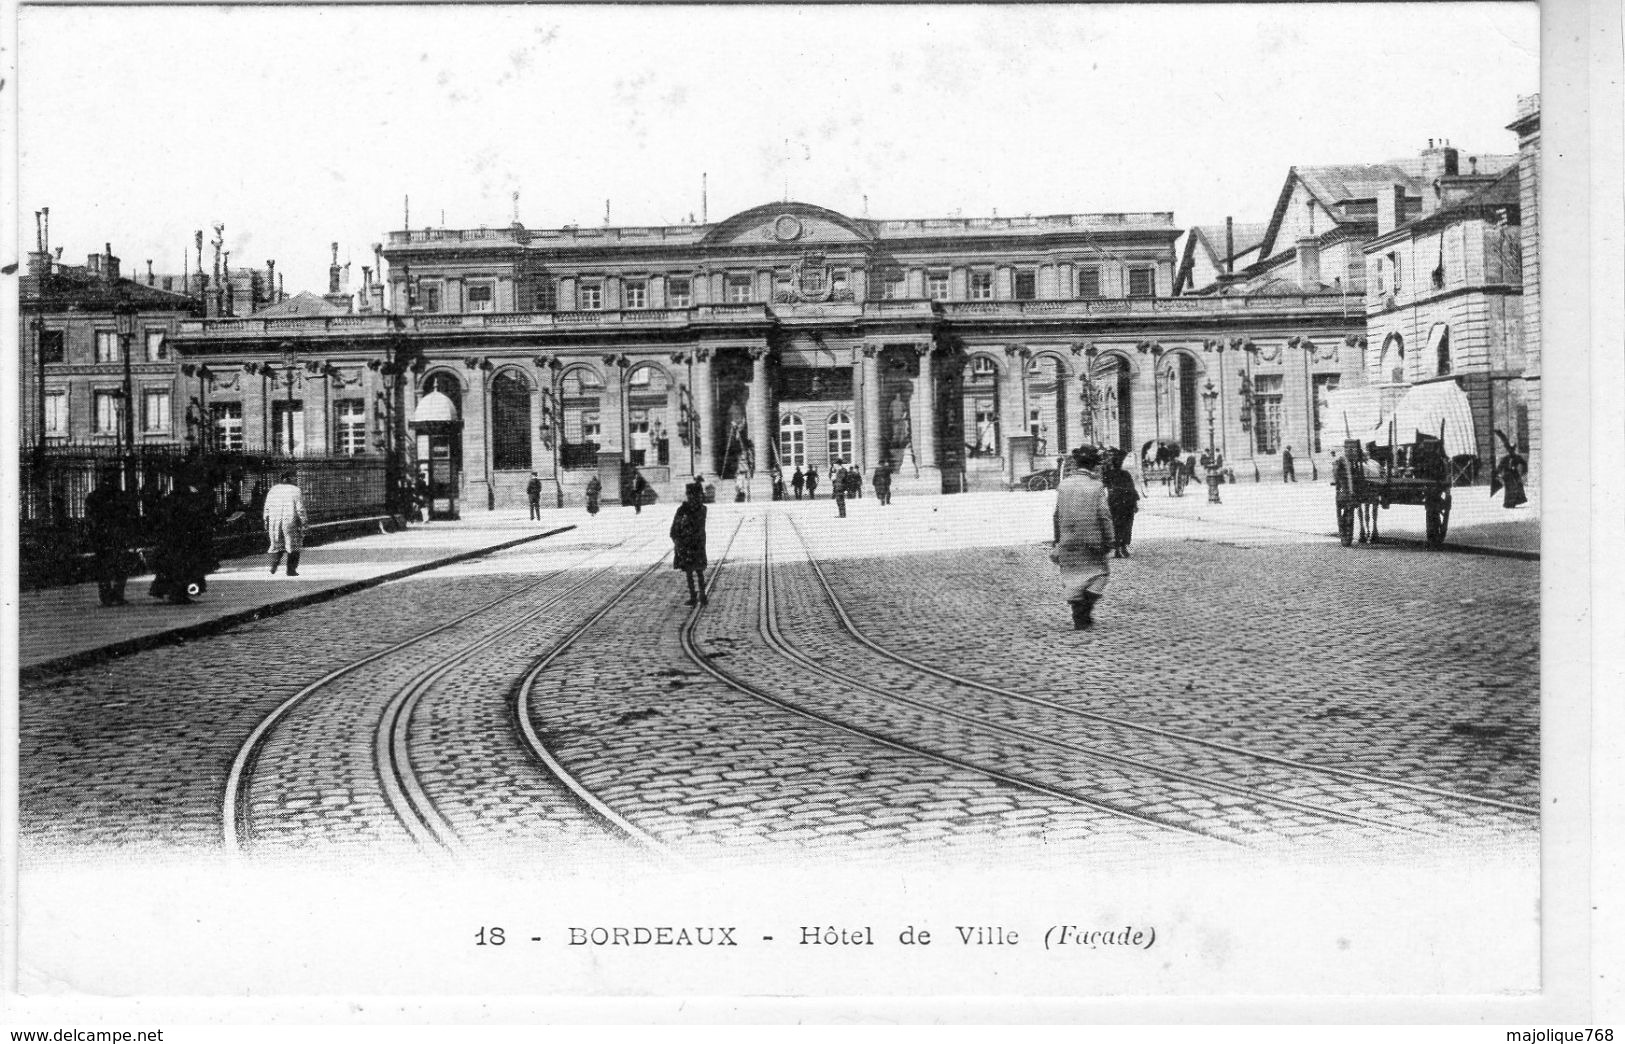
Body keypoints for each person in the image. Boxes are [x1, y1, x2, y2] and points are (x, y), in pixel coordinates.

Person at [1051, 446, 1114, 630]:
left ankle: (1079, 613)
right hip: (1092, 540)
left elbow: (1056, 515)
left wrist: (1058, 541)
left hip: (1068, 540)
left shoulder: (1063, 485)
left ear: (1076, 464)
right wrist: (1109, 539)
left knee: (1072, 578)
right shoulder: (1096, 486)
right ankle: (1084, 610)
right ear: (1094, 465)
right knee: (1100, 574)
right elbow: (1104, 515)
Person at [84, 467, 133, 607]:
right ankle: (117, 595)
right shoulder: (120, 496)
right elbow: (127, 516)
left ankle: (106, 596)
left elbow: (90, 518)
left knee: (104, 568)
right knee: (120, 567)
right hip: (116, 535)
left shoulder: (93, 496)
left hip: (101, 536)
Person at [669, 482, 709, 607]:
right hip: (694, 543)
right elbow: (676, 526)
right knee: (695, 571)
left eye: (692, 494)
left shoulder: (686, 509)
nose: (691, 496)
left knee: (692, 571)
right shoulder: (701, 509)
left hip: (690, 543)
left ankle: (696, 595)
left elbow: (676, 527)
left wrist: (677, 539)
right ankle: (699, 594)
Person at [264, 470, 307, 577]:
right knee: (293, 545)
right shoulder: (296, 490)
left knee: (276, 543)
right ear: (290, 479)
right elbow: (300, 509)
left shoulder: (273, 490)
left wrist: (266, 520)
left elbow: (267, 507)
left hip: (274, 521)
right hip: (290, 521)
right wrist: (304, 521)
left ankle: (274, 564)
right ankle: (291, 570)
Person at [1104, 451, 1140, 558]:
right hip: (1126, 503)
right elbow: (1132, 489)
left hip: (1115, 503)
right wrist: (1135, 503)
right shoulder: (1125, 474)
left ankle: (1118, 548)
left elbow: (1104, 488)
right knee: (1126, 525)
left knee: (1116, 525)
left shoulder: (1109, 474)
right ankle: (1122, 547)